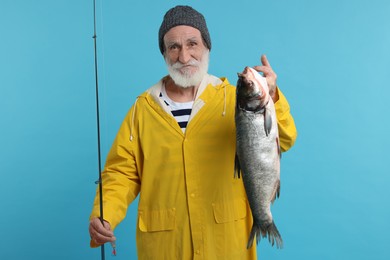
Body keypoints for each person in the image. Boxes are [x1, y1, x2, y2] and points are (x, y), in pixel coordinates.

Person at [89, 5, 297, 259]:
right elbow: (121, 172)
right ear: (164, 53)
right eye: (173, 47)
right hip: (166, 247)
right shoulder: (142, 110)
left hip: (226, 244)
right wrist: (104, 213)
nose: (184, 56)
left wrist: (273, 97)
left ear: (207, 47)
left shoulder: (236, 100)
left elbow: (283, 140)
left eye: (192, 44)